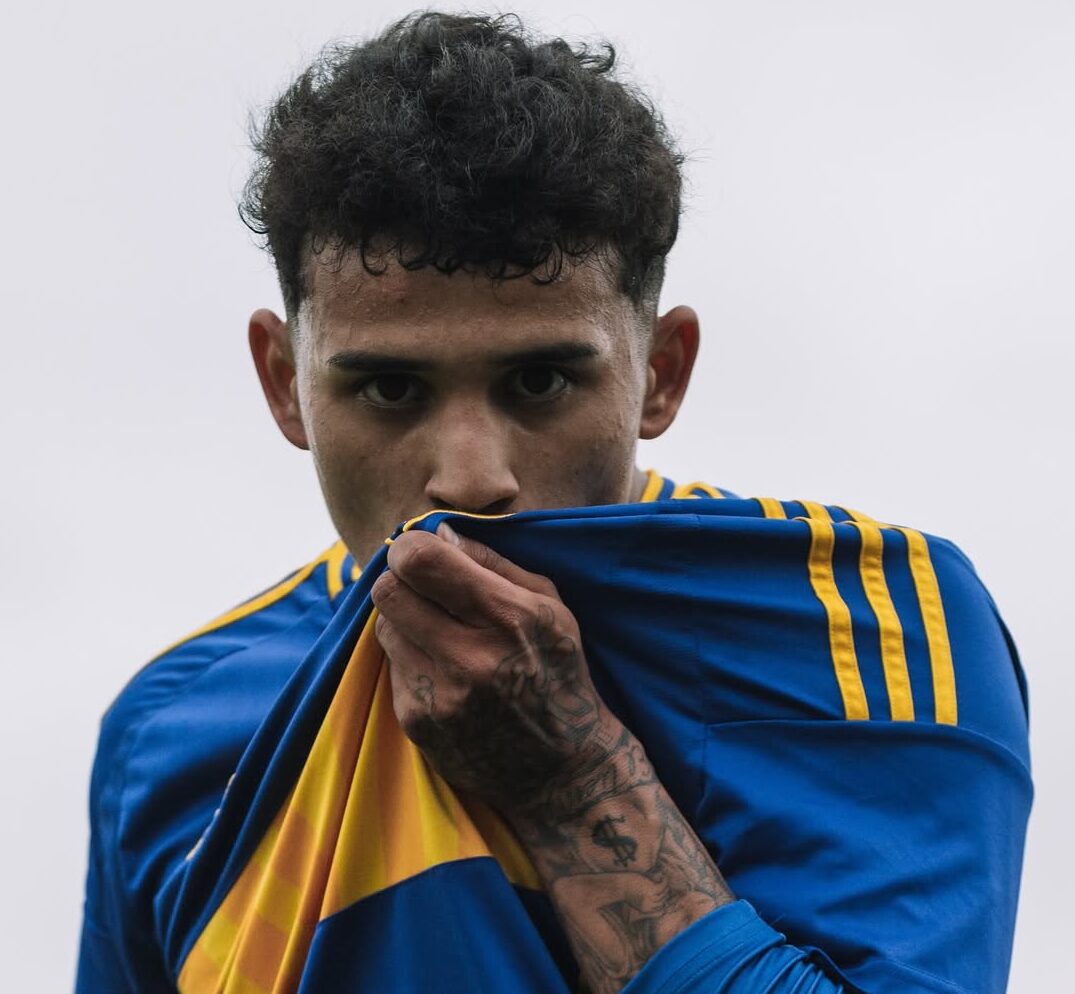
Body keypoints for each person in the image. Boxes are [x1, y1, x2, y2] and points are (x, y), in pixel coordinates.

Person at [75, 12, 1031, 994]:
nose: (470, 478)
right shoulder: (166, 730)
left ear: (660, 373)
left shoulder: (868, 627)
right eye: (390, 388)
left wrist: (570, 779)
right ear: (285, 385)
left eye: (538, 382)